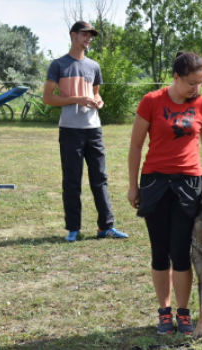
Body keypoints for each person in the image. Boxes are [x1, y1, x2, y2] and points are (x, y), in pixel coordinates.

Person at [127, 51, 202, 335]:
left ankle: (184, 312)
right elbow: (136, 146)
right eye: (191, 82)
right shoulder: (151, 102)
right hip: (155, 185)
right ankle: (164, 312)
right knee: (159, 252)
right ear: (175, 77)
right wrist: (132, 185)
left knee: (181, 253)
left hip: (189, 186)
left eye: (200, 82)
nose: (196, 88)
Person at [43, 21, 128, 241]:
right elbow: (47, 98)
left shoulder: (94, 66)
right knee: (72, 179)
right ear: (73, 35)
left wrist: (98, 102)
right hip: (70, 130)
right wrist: (78, 99)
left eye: (90, 35)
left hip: (94, 130)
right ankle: (73, 228)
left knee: (100, 178)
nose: (88, 38)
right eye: (84, 34)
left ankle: (105, 227)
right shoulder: (58, 64)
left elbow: (96, 94)